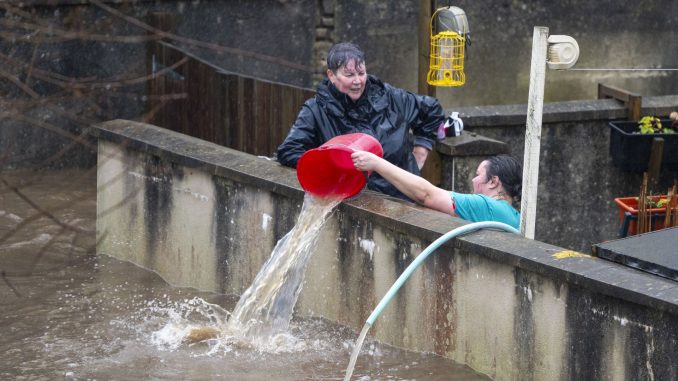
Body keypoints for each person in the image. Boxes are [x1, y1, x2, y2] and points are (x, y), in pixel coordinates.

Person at [276, 42, 446, 200]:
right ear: (331, 75)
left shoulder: (390, 97)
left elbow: (432, 109)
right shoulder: (316, 110)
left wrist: (421, 149)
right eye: (349, 75)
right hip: (353, 204)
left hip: (404, 200)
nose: (357, 81)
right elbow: (289, 151)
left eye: (361, 73)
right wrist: (328, 166)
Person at [351, 152, 523, 229]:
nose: (473, 180)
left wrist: (376, 163)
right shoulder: (513, 216)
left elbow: (426, 195)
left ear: (493, 181)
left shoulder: (487, 206)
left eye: (478, 175)